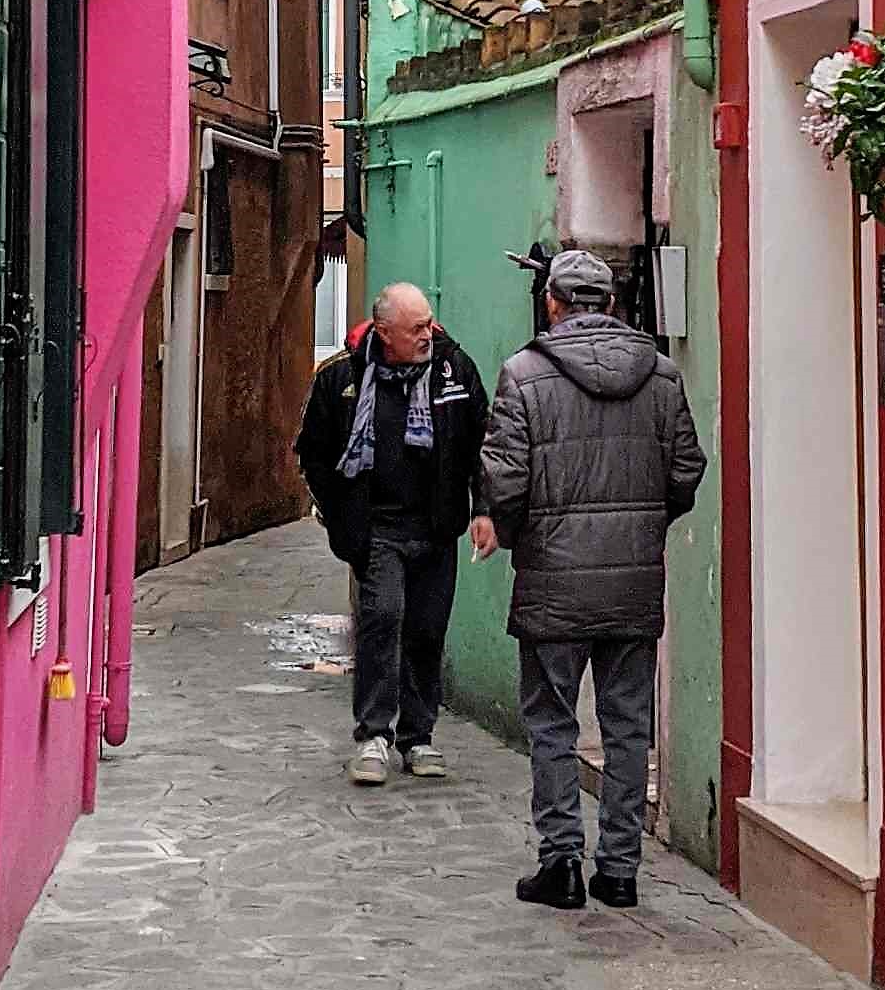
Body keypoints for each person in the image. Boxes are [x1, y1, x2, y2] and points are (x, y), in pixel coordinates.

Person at [472, 246, 706, 913]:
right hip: (632, 581)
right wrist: (644, 527)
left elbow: (503, 479)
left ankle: (562, 863)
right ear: (610, 303)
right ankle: (621, 870)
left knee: (552, 723)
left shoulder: (523, 373)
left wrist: (519, 535)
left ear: (552, 302)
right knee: (629, 725)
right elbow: (686, 468)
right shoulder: (661, 376)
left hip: (553, 578)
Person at [294, 282, 490, 787]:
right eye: (416, 328)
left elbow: (478, 444)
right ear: (384, 333)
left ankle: (419, 735)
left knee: (426, 629)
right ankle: (374, 735)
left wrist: (483, 509)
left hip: (436, 526)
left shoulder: (455, 372)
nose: (428, 334)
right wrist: (338, 512)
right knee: (382, 622)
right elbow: (313, 450)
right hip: (377, 526)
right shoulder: (342, 378)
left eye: (428, 324)